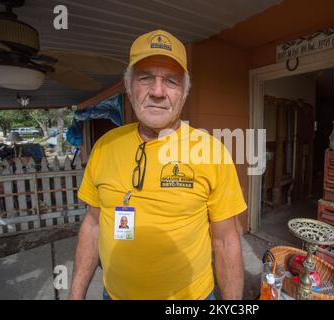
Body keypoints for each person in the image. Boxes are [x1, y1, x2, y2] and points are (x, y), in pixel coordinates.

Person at [68, 29, 247, 300]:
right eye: (146, 77)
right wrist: (76, 294)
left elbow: (225, 240)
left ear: (184, 93)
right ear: (129, 88)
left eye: (171, 81)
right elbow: (93, 224)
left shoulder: (211, 151)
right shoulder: (104, 147)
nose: (158, 91)